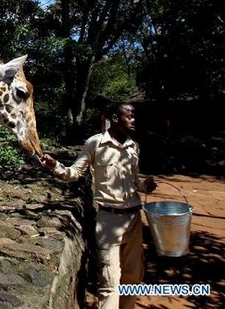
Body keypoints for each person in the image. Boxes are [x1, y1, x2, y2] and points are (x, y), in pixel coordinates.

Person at [41, 102, 157, 309]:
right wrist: (55, 166)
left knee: (133, 277)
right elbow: (74, 173)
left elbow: (133, 180)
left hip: (134, 220)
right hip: (109, 221)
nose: (133, 120)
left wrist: (144, 184)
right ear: (115, 118)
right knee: (110, 282)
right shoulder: (95, 144)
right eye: (129, 116)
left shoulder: (134, 146)